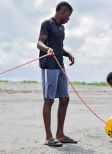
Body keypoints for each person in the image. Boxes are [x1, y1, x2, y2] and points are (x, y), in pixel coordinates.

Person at [37, 1, 77, 147]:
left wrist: (67, 53)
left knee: (65, 99)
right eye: (69, 15)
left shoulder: (61, 28)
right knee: (49, 100)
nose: (69, 19)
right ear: (63, 12)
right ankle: (48, 137)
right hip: (49, 67)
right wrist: (47, 49)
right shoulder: (47, 23)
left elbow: (59, 47)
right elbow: (39, 43)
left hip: (60, 67)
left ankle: (60, 134)